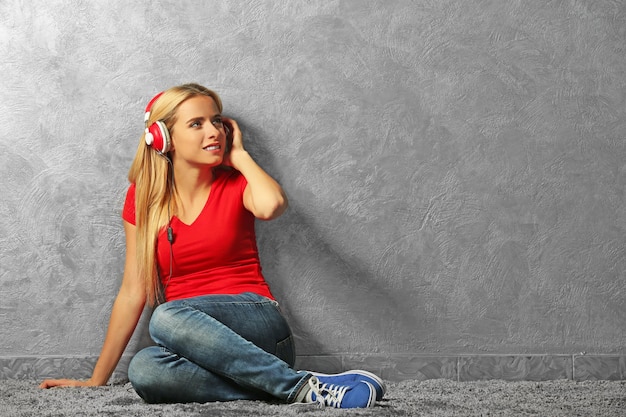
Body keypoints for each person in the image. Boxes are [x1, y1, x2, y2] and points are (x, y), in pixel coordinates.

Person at [39, 83, 386, 408]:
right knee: (145, 369)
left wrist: (240, 157)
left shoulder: (236, 183)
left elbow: (272, 206)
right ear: (164, 139)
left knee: (166, 317)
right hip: (199, 345)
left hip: (259, 326)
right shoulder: (142, 199)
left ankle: (296, 386)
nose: (214, 132)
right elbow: (133, 291)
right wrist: (96, 380)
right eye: (197, 124)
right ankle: (293, 387)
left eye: (217, 121)